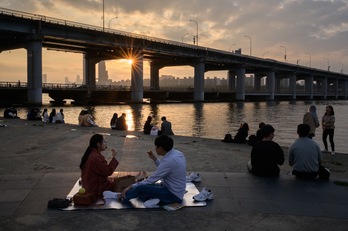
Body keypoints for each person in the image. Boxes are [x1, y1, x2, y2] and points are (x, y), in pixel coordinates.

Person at [103, 135, 186, 207]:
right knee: (144, 186)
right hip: (171, 189)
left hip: (173, 194)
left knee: (141, 187)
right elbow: (165, 169)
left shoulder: (169, 161)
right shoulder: (178, 153)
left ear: (160, 148)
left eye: (156, 147)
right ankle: (152, 199)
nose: (155, 148)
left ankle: (120, 196)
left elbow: (152, 179)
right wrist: (154, 158)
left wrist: (130, 186)